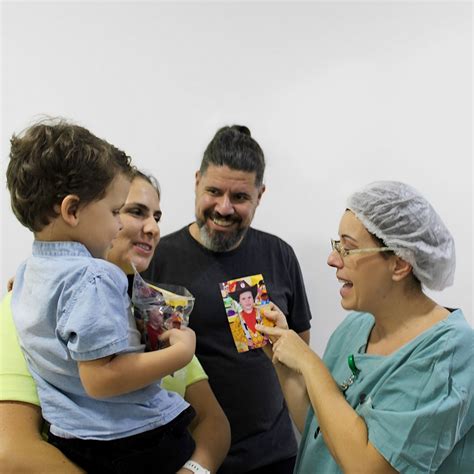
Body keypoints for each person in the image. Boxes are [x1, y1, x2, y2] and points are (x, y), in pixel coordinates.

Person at [0, 168, 230, 474]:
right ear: (81, 213)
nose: (153, 228)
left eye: (157, 217)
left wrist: (193, 471)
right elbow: (12, 451)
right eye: (134, 211)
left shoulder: (160, 311)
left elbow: (213, 422)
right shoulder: (23, 309)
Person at [257, 181, 474, 473]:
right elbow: (321, 430)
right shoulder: (356, 327)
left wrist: (309, 362)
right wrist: (282, 358)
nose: (332, 259)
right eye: (337, 245)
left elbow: (369, 467)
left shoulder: (449, 354)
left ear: (399, 264)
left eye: (348, 248)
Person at [143, 125, 312, 473]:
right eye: (214, 191)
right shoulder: (156, 258)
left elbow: (298, 351)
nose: (224, 208)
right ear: (196, 181)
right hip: (187, 457)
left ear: (259, 195)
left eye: (239, 197)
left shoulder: (280, 255)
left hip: (273, 458)